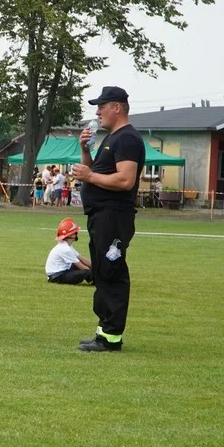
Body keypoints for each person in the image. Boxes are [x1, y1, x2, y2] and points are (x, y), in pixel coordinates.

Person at [70, 86, 145, 352]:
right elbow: (94, 172)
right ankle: (104, 333)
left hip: (114, 217)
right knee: (101, 270)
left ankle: (112, 336)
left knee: (111, 270)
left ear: (118, 107)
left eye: (102, 106)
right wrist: (85, 152)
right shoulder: (112, 138)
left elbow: (125, 180)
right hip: (102, 216)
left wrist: (89, 177)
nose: (97, 111)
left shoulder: (127, 139)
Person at [46, 218, 92, 285]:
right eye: (75, 232)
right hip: (57, 277)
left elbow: (82, 259)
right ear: (70, 235)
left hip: (63, 272)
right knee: (86, 272)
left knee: (88, 270)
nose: (77, 234)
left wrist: (97, 266)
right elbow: (81, 266)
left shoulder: (67, 246)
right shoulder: (65, 249)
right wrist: (96, 275)